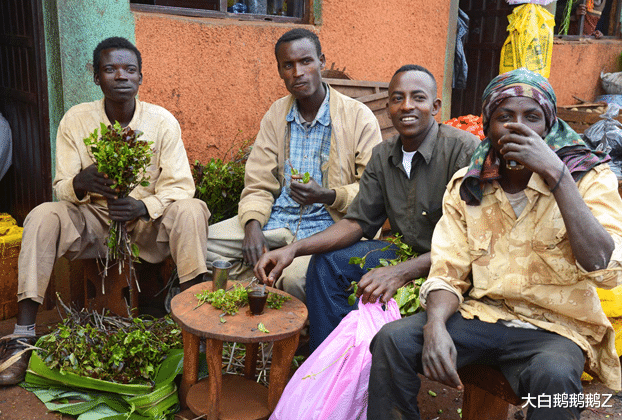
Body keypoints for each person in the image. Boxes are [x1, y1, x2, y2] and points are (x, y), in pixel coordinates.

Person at [368, 68, 622, 420]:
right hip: (483, 315)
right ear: (487, 128)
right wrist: (436, 325)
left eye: (531, 117)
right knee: (392, 340)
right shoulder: (469, 183)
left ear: (547, 126)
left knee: (554, 375)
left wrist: (558, 176)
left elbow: (604, 268)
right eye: (505, 117)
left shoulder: (588, 178)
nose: (518, 128)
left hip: (556, 329)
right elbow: (448, 268)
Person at [0, 37, 209, 386]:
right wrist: (81, 183)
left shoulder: (162, 121)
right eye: (110, 69)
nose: (121, 76)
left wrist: (144, 205)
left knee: (192, 209)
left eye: (130, 69)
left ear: (141, 77)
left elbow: (181, 185)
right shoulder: (76, 120)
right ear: (97, 77)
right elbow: (62, 185)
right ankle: (23, 336)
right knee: (42, 215)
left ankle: (197, 327)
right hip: (94, 223)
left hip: (148, 225)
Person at [255, 64, 480, 352]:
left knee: (395, 327)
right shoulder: (383, 155)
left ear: (435, 106)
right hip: (407, 250)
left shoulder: (464, 150)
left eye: (418, 98)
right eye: (397, 98)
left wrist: (402, 272)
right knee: (325, 265)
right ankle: (333, 359)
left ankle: (364, 360)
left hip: (453, 263)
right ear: (388, 108)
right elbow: (357, 223)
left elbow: (472, 243)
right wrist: (293, 250)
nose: (406, 106)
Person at [206, 28, 382, 303]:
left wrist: (327, 195)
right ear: (280, 71)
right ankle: (257, 289)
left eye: (306, 62)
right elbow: (258, 182)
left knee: (297, 278)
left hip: (327, 230)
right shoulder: (277, 114)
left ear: (321, 62)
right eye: (288, 65)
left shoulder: (358, 117)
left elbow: (372, 192)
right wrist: (252, 227)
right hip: (277, 222)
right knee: (203, 245)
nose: (298, 72)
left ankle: (284, 315)